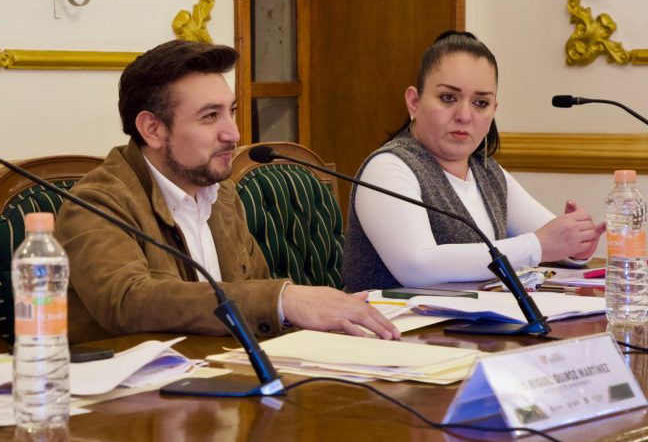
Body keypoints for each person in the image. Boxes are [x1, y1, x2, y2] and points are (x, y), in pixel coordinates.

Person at [57, 40, 400, 344]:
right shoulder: (96, 202)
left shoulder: (220, 195)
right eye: (210, 116)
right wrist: (283, 300)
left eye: (231, 111)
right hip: (135, 392)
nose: (233, 134)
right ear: (153, 129)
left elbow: (255, 292)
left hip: (223, 374)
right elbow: (130, 302)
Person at [343, 30, 606, 291]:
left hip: (481, 318)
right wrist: (537, 246)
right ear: (414, 102)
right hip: (388, 319)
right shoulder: (387, 167)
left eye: (481, 102)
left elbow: (550, 237)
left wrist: (577, 245)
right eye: (448, 98)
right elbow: (417, 267)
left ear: (494, 110)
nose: (464, 115)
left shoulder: (488, 172)